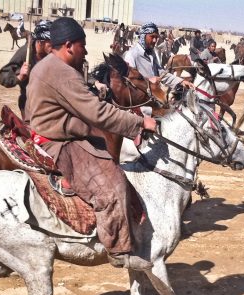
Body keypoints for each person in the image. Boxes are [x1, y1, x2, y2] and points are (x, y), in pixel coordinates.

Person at [25, 17, 158, 270]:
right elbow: (97, 113)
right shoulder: (61, 71)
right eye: (82, 45)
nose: (85, 50)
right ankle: (119, 251)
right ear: (68, 45)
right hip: (58, 141)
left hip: (49, 131)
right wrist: (139, 124)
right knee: (113, 183)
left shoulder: (47, 66)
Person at [0, 20, 53, 119]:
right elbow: (4, 76)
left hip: (48, 102)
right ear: (40, 42)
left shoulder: (52, 53)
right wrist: (19, 76)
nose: (53, 47)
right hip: (29, 102)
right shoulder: (25, 52)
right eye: (50, 44)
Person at [124, 22, 192, 91]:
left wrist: (180, 81)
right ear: (143, 36)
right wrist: (148, 80)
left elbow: (161, 73)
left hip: (154, 96)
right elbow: (128, 81)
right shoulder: (132, 55)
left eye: (156, 37)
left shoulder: (151, 53)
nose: (155, 40)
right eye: (152, 37)